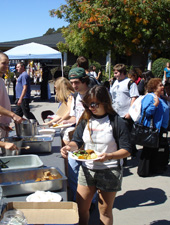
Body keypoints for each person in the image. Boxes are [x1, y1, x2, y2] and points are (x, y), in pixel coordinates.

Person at [60, 85, 131, 225]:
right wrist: (69, 147)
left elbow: (127, 150)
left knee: (104, 211)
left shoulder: (117, 122)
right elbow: (77, 141)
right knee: (81, 208)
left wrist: (109, 156)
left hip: (109, 170)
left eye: (93, 104)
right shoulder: (86, 119)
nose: (90, 108)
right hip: (87, 169)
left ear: (104, 102)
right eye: (87, 104)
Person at [61, 67, 90, 202]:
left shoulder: (92, 96)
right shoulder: (76, 96)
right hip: (76, 141)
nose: (74, 86)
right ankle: (75, 201)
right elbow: (74, 118)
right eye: (72, 83)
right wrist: (61, 123)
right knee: (72, 173)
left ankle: (91, 203)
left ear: (84, 81)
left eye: (77, 82)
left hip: (89, 143)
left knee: (89, 176)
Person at [0, 53, 22, 155]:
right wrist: (13, 115)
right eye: (3, 63)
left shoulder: (0, 79)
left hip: (3, 124)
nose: (6, 66)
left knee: (1, 155)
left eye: (8, 63)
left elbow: (2, 102)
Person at [137, 78, 170, 177]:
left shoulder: (161, 97)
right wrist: (155, 105)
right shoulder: (150, 97)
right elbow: (146, 112)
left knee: (157, 150)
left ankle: (156, 168)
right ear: (154, 87)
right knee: (148, 150)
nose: (162, 87)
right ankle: (144, 171)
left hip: (160, 128)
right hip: (153, 129)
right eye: (160, 85)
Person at [110, 64, 139, 158]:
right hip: (115, 113)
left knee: (126, 135)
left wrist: (130, 112)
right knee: (117, 135)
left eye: (116, 73)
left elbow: (134, 98)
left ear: (122, 72)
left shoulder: (130, 83)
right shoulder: (115, 82)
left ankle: (128, 153)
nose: (115, 75)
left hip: (125, 114)